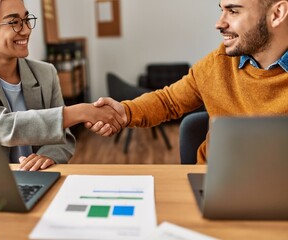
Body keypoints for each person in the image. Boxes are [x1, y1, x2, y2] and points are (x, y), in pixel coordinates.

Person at [87, 0, 288, 164]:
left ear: (277, 14)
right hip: (212, 184)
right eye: (221, 10)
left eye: (233, 11)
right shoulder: (218, 64)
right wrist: (125, 113)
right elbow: (169, 101)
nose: (219, 23)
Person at [0, 0, 124, 171]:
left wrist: (48, 155)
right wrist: (82, 111)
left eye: (27, 20)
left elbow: (65, 137)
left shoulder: (46, 73)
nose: (26, 30)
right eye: (14, 22)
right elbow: (0, 127)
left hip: (41, 179)